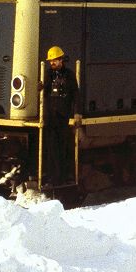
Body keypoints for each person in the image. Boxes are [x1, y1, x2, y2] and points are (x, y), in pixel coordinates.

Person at [43, 45, 76, 186]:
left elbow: (76, 93)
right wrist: (41, 86)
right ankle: (52, 177)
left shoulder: (69, 75)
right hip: (51, 117)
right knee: (51, 148)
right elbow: (45, 91)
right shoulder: (48, 74)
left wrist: (77, 112)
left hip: (63, 116)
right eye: (50, 61)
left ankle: (62, 177)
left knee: (63, 147)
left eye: (54, 60)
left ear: (61, 60)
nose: (52, 63)